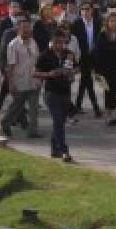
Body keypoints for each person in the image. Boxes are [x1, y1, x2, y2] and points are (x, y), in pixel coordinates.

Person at [34, 29, 75, 162]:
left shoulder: (68, 54)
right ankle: (64, 151)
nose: (59, 45)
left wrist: (71, 72)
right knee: (58, 120)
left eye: (62, 43)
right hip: (51, 92)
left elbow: (76, 68)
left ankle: (54, 149)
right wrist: (49, 74)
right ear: (51, 42)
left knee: (60, 122)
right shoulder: (45, 55)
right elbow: (35, 73)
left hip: (65, 91)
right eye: (56, 42)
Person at [2, 17, 41, 138]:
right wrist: (11, 83)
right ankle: (6, 122)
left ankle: (33, 131)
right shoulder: (13, 45)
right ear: (18, 29)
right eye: (24, 28)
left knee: (34, 108)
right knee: (17, 106)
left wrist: (40, 76)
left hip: (34, 80)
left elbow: (37, 61)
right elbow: (10, 66)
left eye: (28, 28)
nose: (26, 30)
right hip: (20, 81)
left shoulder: (34, 42)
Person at [70, 3, 102, 117]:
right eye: (82, 9)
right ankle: (95, 107)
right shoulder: (76, 24)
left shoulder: (98, 22)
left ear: (91, 10)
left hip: (94, 56)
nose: (85, 11)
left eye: (87, 9)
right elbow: (72, 41)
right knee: (87, 81)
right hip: (82, 56)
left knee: (85, 81)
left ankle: (77, 105)